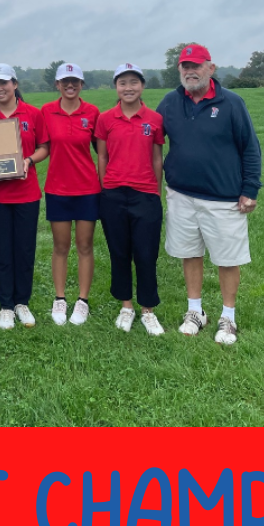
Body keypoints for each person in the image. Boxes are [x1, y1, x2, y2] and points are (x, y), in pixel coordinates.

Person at [156, 43, 262, 345]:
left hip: (224, 198)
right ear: (179, 70)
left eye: (196, 66)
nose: (190, 71)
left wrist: (250, 189)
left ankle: (228, 317)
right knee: (190, 252)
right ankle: (195, 312)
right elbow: (149, 135)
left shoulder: (232, 102)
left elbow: (250, 147)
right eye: (185, 67)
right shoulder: (170, 102)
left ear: (210, 69)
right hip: (181, 194)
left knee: (227, 258)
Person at [0, 64, 49, 329]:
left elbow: (44, 147)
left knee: (24, 249)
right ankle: (6, 305)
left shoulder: (33, 114)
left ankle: (22, 302)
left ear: (15, 84)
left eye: (4, 83)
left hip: (27, 194)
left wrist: (29, 160)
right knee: (1, 250)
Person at [95, 64, 165, 336]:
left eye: (133, 82)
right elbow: (102, 156)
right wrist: (105, 186)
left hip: (145, 194)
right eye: (122, 83)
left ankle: (148, 309)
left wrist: (155, 191)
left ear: (142, 86)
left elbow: (157, 157)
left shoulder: (155, 119)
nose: (128, 88)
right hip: (113, 193)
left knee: (146, 253)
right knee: (119, 251)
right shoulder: (106, 119)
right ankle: (126, 306)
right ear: (116, 87)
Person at [40, 63, 101, 326]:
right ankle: (60, 298)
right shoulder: (46, 111)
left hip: (87, 189)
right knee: (61, 246)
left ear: (81, 85)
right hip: (57, 188)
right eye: (65, 81)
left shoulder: (93, 112)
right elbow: (43, 146)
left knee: (85, 246)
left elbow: (103, 152)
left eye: (75, 81)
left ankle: (82, 301)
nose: (70, 85)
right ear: (57, 85)